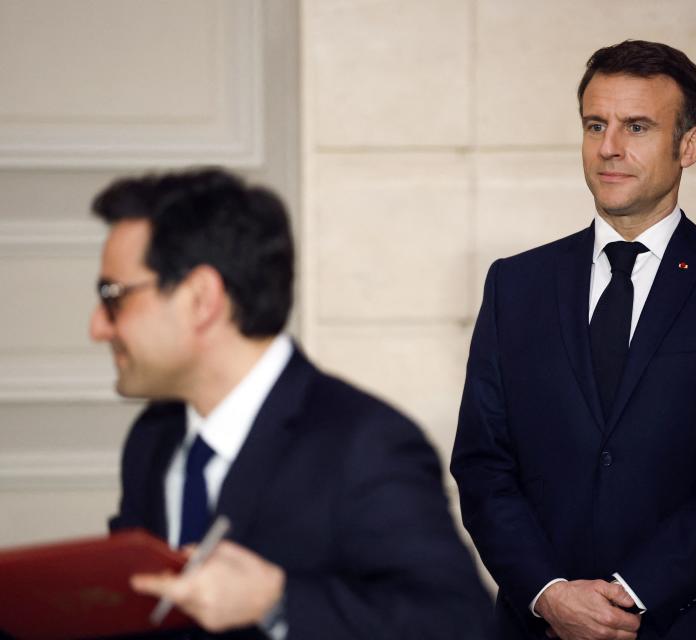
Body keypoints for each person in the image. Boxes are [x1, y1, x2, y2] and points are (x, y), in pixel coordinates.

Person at [451, 40, 696, 640]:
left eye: (636, 126)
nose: (609, 147)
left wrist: (634, 593)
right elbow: (483, 465)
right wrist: (548, 594)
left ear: (688, 145)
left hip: (693, 620)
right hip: (539, 623)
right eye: (596, 125)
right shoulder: (516, 284)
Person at [89, 167, 492, 639]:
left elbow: (460, 622)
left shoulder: (365, 444)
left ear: (201, 298)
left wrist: (276, 600)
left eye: (113, 296)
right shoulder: (152, 438)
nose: (98, 326)